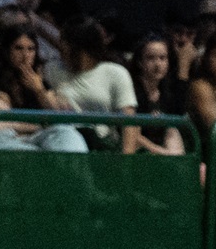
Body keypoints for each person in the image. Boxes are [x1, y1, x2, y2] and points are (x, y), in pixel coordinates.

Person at [44, 18, 142, 152]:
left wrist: (127, 160)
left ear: (81, 48)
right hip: (63, 143)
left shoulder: (115, 73)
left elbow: (129, 121)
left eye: (65, 45)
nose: (61, 49)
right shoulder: (51, 70)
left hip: (102, 145)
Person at [0, 30, 87, 153]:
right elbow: (7, 120)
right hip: (11, 139)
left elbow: (59, 116)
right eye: (18, 48)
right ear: (7, 52)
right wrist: (40, 125)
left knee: (68, 134)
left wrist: (39, 90)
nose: (25, 55)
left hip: (41, 136)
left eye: (31, 49)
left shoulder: (42, 80)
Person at [129, 35, 189, 156]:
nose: (157, 64)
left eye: (162, 58)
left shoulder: (167, 91)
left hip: (162, 152)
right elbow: (133, 135)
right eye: (150, 58)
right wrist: (163, 152)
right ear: (140, 62)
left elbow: (174, 125)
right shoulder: (132, 91)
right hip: (139, 153)